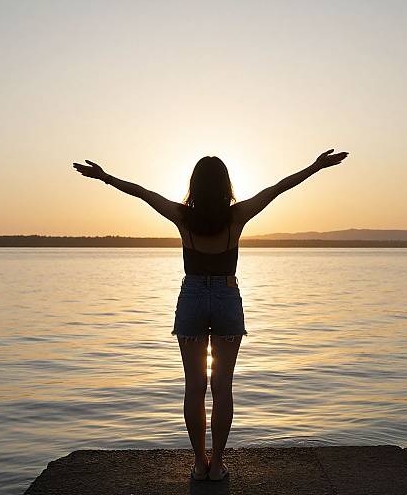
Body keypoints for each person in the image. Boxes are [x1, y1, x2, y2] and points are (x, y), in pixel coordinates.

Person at [72, 148, 349, 481]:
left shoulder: (181, 217)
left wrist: (105, 177)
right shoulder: (237, 216)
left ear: (194, 185)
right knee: (222, 387)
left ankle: (199, 463)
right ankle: (217, 465)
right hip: (226, 296)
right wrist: (316, 166)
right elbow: (277, 189)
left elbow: (143, 194)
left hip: (191, 297)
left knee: (194, 387)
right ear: (225, 185)